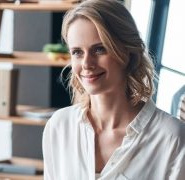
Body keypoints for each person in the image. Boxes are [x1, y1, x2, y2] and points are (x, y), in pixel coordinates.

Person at [42, 0, 185, 179]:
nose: (86, 64)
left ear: (128, 52)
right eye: (77, 52)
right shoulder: (59, 126)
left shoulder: (172, 137)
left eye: (100, 49)